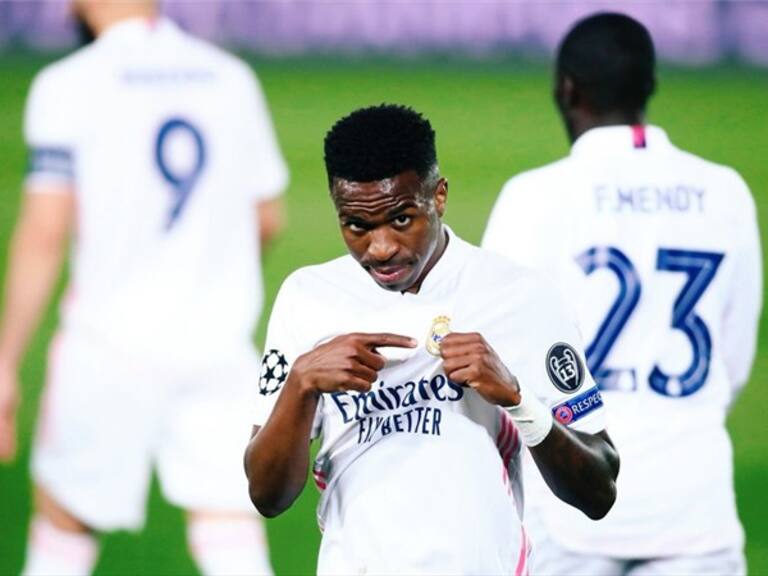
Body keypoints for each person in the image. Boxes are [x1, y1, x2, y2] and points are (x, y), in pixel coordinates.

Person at [244, 104, 619, 575]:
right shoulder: (309, 298)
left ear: (438, 196)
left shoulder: (519, 296)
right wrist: (301, 384)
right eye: (357, 226)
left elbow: (599, 488)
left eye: (401, 219)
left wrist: (519, 401)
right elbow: (267, 495)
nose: (380, 249)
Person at [0, 1, 288, 574]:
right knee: (230, 528)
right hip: (217, 344)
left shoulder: (69, 84)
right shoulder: (230, 77)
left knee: (65, 523)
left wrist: (5, 362)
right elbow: (267, 217)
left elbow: (44, 231)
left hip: (108, 346)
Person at [482, 12, 762, 576]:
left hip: (569, 508)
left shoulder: (533, 198)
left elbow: (497, 356)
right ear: (650, 86)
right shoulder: (726, 192)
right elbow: (731, 363)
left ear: (566, 89)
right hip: (696, 511)